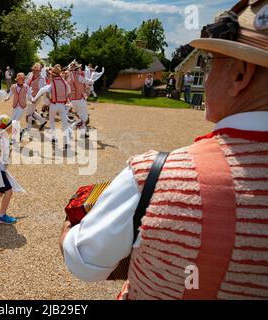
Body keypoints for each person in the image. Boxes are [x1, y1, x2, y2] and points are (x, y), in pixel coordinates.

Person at [60, 0, 268, 300]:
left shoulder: (157, 176)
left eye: (211, 63)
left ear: (239, 74)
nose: (207, 76)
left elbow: (84, 263)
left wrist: (69, 228)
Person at [32, 64, 71, 147]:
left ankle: (54, 137)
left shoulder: (52, 83)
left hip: (54, 104)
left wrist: (35, 98)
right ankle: (66, 141)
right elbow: (68, 93)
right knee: (64, 123)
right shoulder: (65, 82)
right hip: (62, 105)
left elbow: (43, 90)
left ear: (53, 75)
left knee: (52, 121)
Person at [67, 60, 95, 139]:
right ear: (76, 69)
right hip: (80, 99)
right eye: (78, 68)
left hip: (73, 100)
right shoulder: (78, 76)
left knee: (80, 117)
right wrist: (92, 81)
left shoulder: (69, 77)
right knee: (84, 118)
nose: (80, 69)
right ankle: (71, 128)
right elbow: (88, 82)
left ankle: (85, 133)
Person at [24, 63, 47, 133]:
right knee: (32, 112)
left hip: (35, 98)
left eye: (35, 70)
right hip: (30, 97)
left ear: (39, 71)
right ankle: (42, 121)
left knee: (28, 114)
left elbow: (41, 91)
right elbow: (26, 84)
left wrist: (35, 99)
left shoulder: (41, 79)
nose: (33, 71)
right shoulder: (32, 76)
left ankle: (28, 128)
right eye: (33, 69)